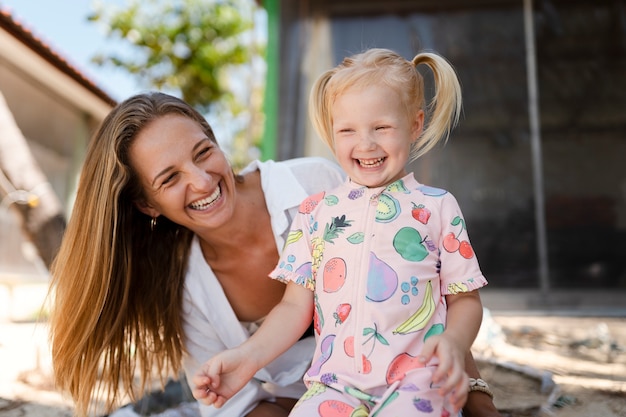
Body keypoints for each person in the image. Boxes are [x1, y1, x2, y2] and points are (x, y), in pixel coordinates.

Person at [48, 91, 501, 417]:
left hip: (414, 380)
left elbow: (425, 293)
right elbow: (242, 406)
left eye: (203, 153)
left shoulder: (318, 187)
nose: (202, 181)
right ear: (148, 205)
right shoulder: (185, 290)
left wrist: (478, 399)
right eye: (170, 179)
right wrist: (249, 367)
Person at [192, 48, 488, 417]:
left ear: (414, 125)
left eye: (381, 127)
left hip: (421, 379)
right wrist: (246, 358)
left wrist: (455, 344)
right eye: (347, 130)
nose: (365, 144)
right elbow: (293, 306)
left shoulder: (437, 207)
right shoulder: (315, 214)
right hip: (334, 384)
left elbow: (465, 299)